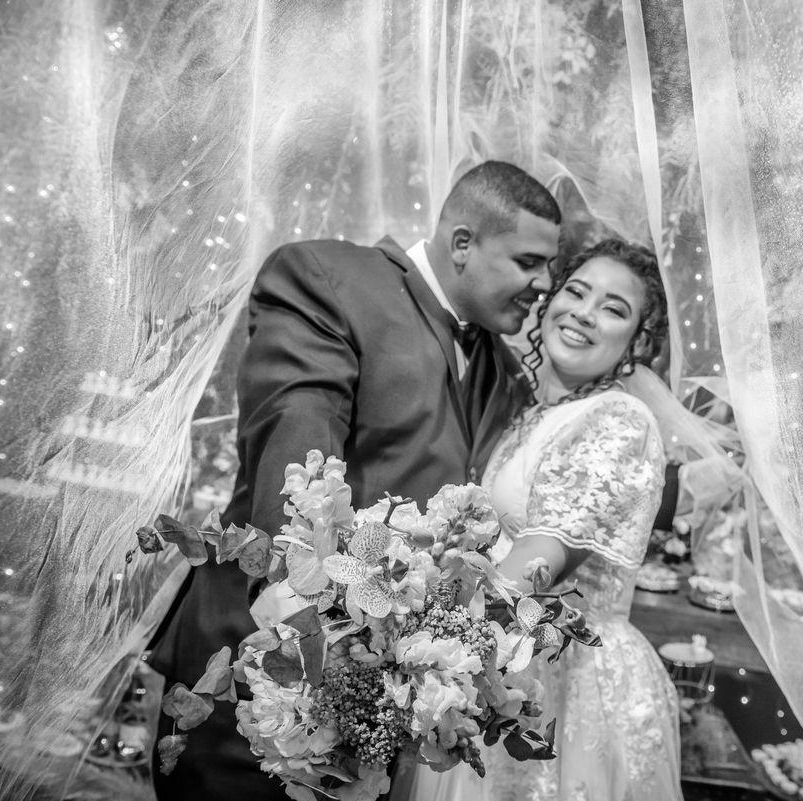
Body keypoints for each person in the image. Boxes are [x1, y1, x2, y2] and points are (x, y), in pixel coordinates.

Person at [146, 161, 562, 801]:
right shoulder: (327, 278)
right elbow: (295, 463)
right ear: (462, 243)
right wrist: (309, 644)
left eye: (550, 266)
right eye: (529, 262)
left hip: (394, 702)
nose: (546, 284)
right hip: (268, 672)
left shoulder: (503, 368)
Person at [413, 238, 684, 801]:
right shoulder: (531, 415)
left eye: (613, 309)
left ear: (637, 340)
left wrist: (422, 638)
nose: (584, 312)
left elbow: (542, 562)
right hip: (497, 656)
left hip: (566, 678)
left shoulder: (619, 419)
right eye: (576, 292)